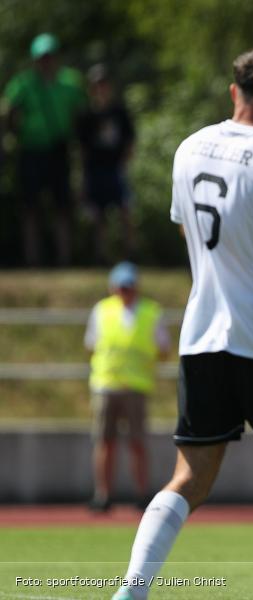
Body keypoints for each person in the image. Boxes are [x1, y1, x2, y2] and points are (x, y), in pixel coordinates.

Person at [112, 47, 253, 600]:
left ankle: (131, 591)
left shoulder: (188, 149)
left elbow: (190, 235)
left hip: (202, 337)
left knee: (191, 477)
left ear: (234, 91)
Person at [85, 262, 169, 512]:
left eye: (129, 287)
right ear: (113, 287)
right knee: (105, 441)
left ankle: (142, 494)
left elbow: (163, 349)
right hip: (106, 384)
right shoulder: (102, 310)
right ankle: (103, 495)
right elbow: (91, 344)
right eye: (121, 287)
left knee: (137, 443)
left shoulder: (151, 311)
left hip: (136, 386)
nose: (125, 291)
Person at [2, 33, 86, 266]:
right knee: (30, 208)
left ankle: (64, 259)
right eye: (41, 58)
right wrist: (12, 136)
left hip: (59, 151)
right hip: (30, 151)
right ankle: (33, 260)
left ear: (56, 57)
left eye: (49, 57)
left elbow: (82, 116)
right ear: (34, 59)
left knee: (62, 207)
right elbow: (9, 112)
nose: (46, 62)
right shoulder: (22, 84)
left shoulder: (70, 83)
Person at [77, 64, 137, 263]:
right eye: (96, 85)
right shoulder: (86, 115)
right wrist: (83, 175)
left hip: (116, 168)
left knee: (125, 211)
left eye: (103, 84)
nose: (100, 88)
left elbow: (129, 141)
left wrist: (124, 165)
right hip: (95, 169)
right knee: (98, 215)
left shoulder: (119, 111)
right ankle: (101, 255)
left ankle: (129, 252)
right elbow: (83, 148)